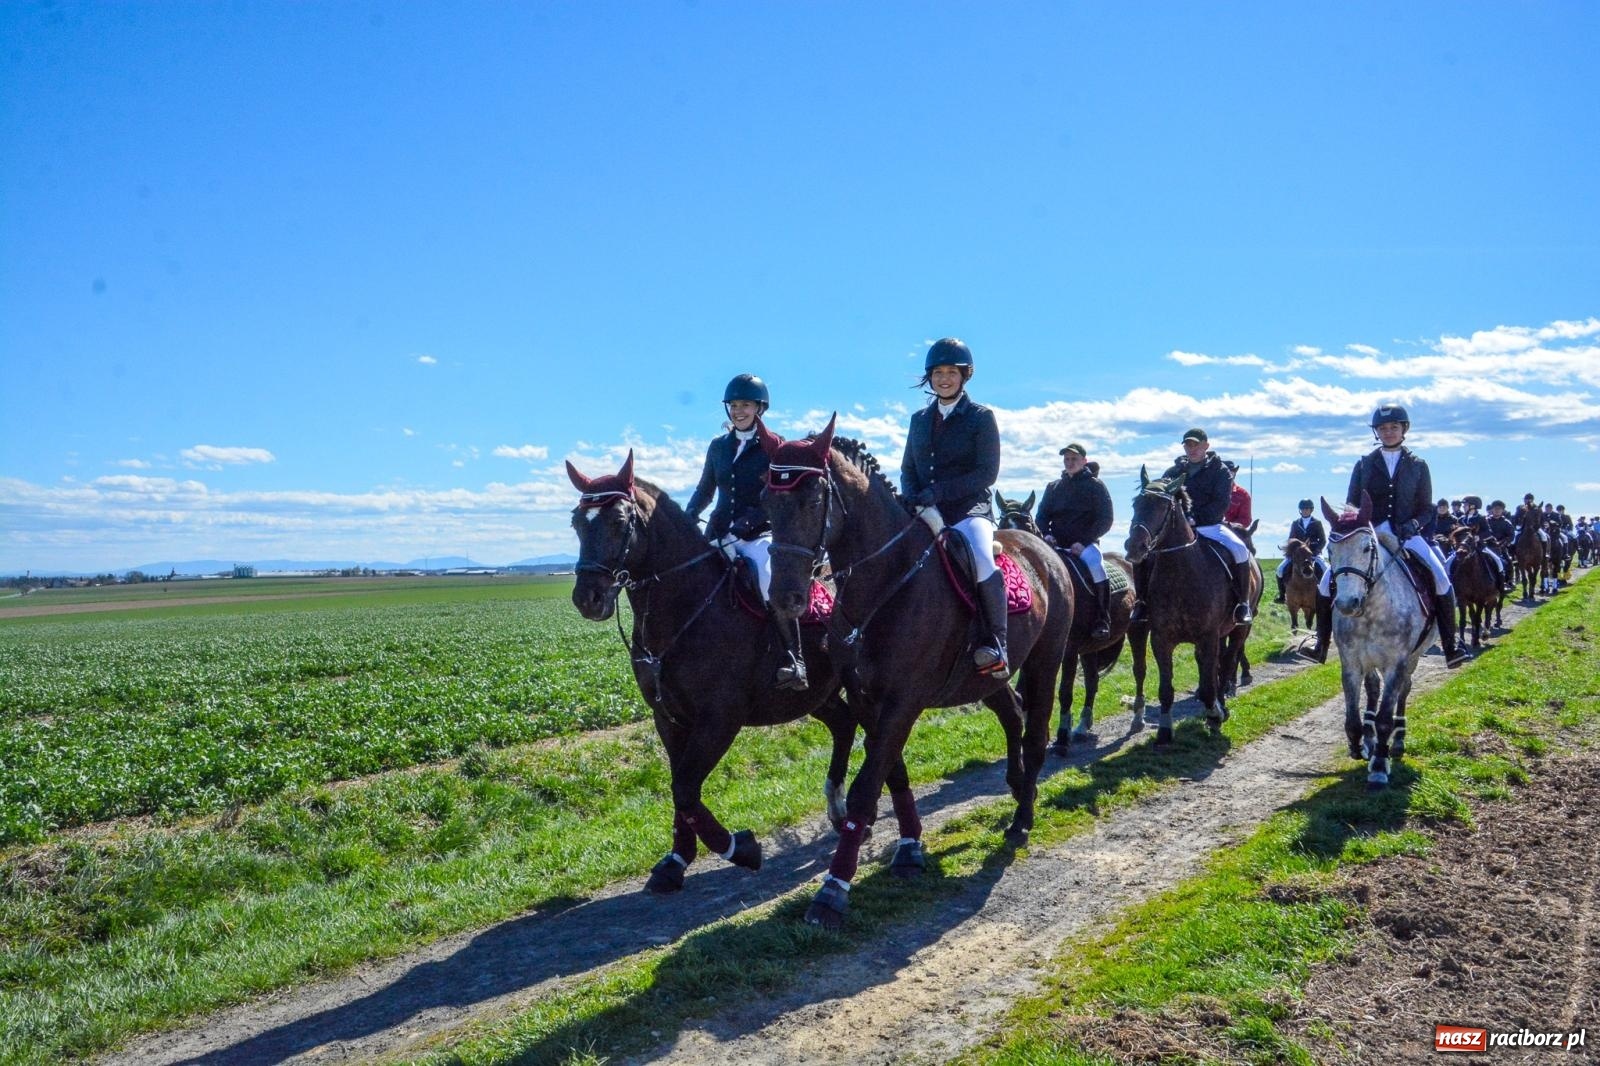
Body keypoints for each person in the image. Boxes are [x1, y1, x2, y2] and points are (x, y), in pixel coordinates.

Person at [1305, 404, 1466, 667]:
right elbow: (1351, 504)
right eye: (1382, 428)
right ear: (1376, 432)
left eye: (1393, 427)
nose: (1388, 432)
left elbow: (1427, 508)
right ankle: (1320, 644)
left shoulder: (1418, 466)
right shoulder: (1364, 464)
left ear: (1404, 429)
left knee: (1441, 579)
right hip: (1370, 534)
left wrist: (1413, 524)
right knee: (1325, 583)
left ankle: (1451, 645)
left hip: (1407, 535)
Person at [686, 373, 807, 690]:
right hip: (719, 531)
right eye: (735, 405)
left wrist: (751, 521)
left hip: (759, 535)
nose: (739, 411)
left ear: (760, 408)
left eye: (746, 405)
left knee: (768, 580)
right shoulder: (717, 447)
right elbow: (704, 491)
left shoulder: (774, 446)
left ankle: (795, 660)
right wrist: (687, 517)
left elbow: (779, 495)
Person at [901, 337, 1009, 677]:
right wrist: (912, 496)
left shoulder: (980, 417)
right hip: (925, 508)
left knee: (978, 554)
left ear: (965, 376)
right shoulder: (919, 419)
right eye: (937, 372)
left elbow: (986, 473)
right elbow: (907, 469)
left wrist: (940, 492)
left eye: (951, 372)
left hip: (968, 510)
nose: (943, 378)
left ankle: (996, 643)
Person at [1130, 427, 1254, 625]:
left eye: (1196, 445)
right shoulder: (1173, 472)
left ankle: (1243, 604)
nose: (1192, 448)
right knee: (1144, 554)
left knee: (1239, 549)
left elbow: (1221, 503)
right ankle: (1142, 602)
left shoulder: (1220, 471)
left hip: (1210, 526)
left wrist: (1196, 519)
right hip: (1176, 530)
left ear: (1206, 446)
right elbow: (1163, 500)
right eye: (1188, 445)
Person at [1035, 442, 1115, 639]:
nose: (1070, 463)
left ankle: (1102, 618)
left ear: (1084, 461)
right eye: (1067, 459)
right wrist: (1046, 534)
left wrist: (1085, 541)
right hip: (1055, 545)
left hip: (1084, 545)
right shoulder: (1054, 487)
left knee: (1097, 566)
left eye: (1074, 459)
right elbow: (1042, 516)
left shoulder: (1095, 486)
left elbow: (1106, 519)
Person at [1273, 498, 1326, 603]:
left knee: (1325, 569)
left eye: (1307, 509)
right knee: (1280, 570)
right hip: (1298, 555)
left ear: (1311, 510)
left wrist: (1316, 551)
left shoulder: (1317, 523)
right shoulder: (1295, 523)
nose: (1305, 511)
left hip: (1313, 553)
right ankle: (1282, 595)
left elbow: (1323, 540)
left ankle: (1325, 595)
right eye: (1303, 509)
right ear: (1300, 510)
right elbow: (1291, 539)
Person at [1223, 460, 1253, 527]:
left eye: (1231, 472)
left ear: (1234, 473)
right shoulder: (1209, 491)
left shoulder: (1243, 495)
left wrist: (1228, 525)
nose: (1227, 475)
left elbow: (1245, 519)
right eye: (1223, 472)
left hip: (1232, 532)